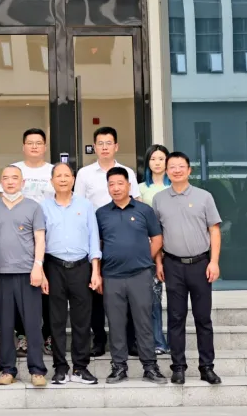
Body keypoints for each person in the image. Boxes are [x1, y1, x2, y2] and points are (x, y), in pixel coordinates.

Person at [152, 152, 223, 386]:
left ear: (189, 170)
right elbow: (157, 235)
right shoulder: (159, 199)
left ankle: (207, 367)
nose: (177, 170)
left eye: (181, 166)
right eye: (172, 167)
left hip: (201, 265)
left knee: (203, 318)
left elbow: (214, 230)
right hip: (173, 265)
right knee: (175, 318)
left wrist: (214, 261)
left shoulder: (204, 197)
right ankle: (178, 367)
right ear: (166, 171)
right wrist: (159, 263)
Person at [96, 167, 167, 385]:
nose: (116, 188)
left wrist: (144, 258)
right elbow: (97, 245)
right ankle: (119, 367)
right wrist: (97, 273)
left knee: (143, 322)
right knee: (116, 324)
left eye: (120, 183)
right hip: (112, 277)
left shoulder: (144, 210)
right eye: (111, 184)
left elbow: (157, 238)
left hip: (140, 275)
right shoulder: (101, 213)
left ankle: (150, 367)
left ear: (128, 185)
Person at [73, 126, 139, 358]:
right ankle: (99, 340)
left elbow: (137, 202)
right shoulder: (84, 174)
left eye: (108, 143)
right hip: (94, 238)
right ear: (94, 147)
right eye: (100, 143)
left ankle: (130, 341)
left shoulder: (127, 172)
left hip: (122, 238)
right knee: (96, 291)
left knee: (125, 291)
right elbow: (78, 206)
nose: (104, 147)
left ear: (116, 146)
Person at [40, 163, 101, 386]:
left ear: (73, 179)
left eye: (67, 175)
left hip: (81, 267)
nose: (63, 179)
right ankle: (60, 367)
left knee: (82, 320)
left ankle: (80, 367)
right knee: (55, 320)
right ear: (52, 181)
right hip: (53, 266)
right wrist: (41, 271)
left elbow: (93, 238)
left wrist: (95, 271)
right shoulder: (43, 207)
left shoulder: (85, 205)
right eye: (59, 176)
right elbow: (39, 241)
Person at [0, 166, 48, 387]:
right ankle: (7, 369)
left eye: (15, 178)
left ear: (22, 182)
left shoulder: (33, 207)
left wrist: (38, 266)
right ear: (1, 182)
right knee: (5, 325)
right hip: (1, 273)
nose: (10, 182)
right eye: (6, 178)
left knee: (32, 324)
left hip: (28, 273)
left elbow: (40, 239)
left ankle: (37, 370)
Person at [4, 128, 55, 359]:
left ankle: (48, 336)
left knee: (47, 292)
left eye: (38, 143)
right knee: (19, 294)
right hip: (20, 243)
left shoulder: (53, 171)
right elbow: (6, 202)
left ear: (45, 146)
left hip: (49, 240)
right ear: (23, 146)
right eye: (30, 143)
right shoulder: (14, 170)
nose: (34, 146)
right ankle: (22, 335)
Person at [139, 144, 172, 355]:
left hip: (175, 248)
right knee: (153, 298)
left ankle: (174, 340)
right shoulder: (141, 189)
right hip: (150, 249)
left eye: (161, 158)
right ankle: (158, 340)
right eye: (153, 159)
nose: (157, 163)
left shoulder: (175, 186)